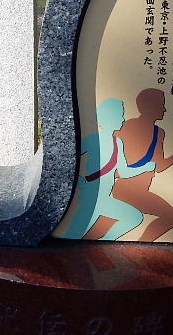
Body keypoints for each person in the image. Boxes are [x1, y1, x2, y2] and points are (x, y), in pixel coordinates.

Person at [61, 98, 154, 240]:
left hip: (102, 198)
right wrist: (79, 182)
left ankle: (104, 243)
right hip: (90, 196)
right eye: (120, 115)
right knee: (73, 234)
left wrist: (145, 167)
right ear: (109, 117)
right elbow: (69, 160)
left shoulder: (117, 142)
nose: (123, 119)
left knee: (133, 217)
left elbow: (124, 172)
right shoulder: (93, 139)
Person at [111, 88, 173, 242]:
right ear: (148, 106)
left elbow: (158, 166)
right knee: (171, 217)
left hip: (139, 189)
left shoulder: (158, 133)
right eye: (161, 105)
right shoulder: (126, 127)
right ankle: (139, 246)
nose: (164, 109)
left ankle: (138, 246)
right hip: (126, 188)